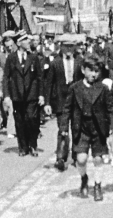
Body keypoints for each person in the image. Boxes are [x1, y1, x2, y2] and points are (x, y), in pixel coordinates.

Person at [60, 54, 113, 201]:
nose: (94, 74)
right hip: (81, 128)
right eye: (91, 70)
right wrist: (64, 127)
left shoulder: (103, 88)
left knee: (98, 159)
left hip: (98, 129)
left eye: (97, 71)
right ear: (83, 70)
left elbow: (110, 109)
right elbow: (67, 109)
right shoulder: (75, 88)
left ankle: (97, 186)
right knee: (81, 159)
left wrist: (111, 128)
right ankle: (84, 178)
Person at [44, 36, 83, 170]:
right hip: (61, 101)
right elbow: (48, 84)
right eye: (65, 46)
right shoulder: (55, 63)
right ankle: (61, 157)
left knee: (77, 129)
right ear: (61, 47)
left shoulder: (80, 62)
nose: (68, 49)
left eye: (71, 46)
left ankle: (77, 155)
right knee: (63, 130)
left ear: (75, 48)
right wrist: (47, 103)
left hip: (77, 102)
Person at [3, 30, 44, 157]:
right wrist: (6, 96)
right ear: (19, 42)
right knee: (19, 121)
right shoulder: (11, 58)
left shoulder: (33, 57)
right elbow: (6, 77)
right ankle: (23, 147)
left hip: (31, 94)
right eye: (25, 40)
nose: (28, 42)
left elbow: (39, 77)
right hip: (17, 95)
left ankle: (33, 145)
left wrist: (41, 94)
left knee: (31, 119)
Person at [0, 31, 18, 138]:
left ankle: (11, 129)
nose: (9, 47)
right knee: (3, 107)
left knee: (12, 107)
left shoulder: (17, 55)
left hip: (15, 83)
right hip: (3, 83)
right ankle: (4, 121)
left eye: (11, 45)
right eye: (7, 45)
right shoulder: (0, 56)